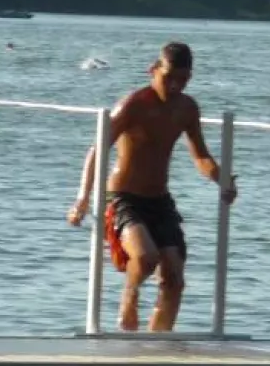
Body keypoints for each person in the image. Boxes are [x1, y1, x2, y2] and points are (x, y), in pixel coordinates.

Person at [67, 41, 237, 332]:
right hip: (124, 197)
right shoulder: (134, 105)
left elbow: (201, 155)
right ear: (153, 69)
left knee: (174, 276)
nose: (174, 86)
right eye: (168, 77)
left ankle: (157, 342)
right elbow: (98, 149)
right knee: (146, 257)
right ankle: (129, 297)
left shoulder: (186, 108)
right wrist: (82, 198)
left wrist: (221, 178)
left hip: (159, 200)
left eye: (182, 80)